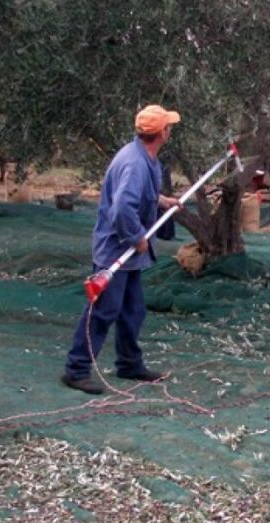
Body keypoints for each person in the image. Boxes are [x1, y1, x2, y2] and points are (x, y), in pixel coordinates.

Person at [61, 105, 183, 394]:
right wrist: (137, 237)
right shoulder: (134, 163)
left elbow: (140, 195)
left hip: (129, 256)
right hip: (115, 252)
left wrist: (160, 200)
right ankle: (75, 369)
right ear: (161, 132)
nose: (171, 130)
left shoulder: (146, 157)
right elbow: (122, 209)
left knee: (133, 310)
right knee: (103, 311)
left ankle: (128, 364)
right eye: (169, 126)